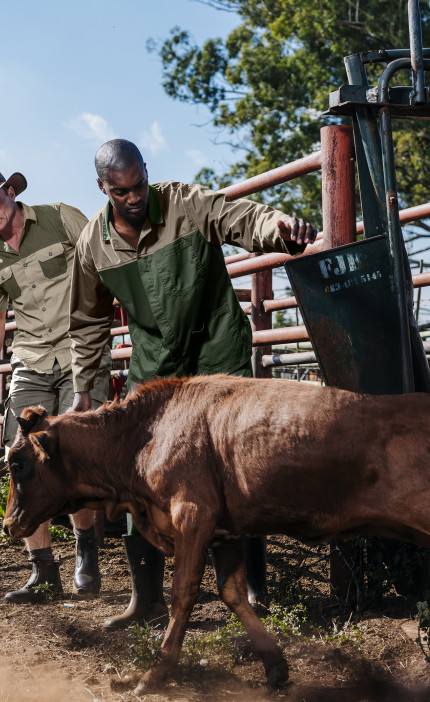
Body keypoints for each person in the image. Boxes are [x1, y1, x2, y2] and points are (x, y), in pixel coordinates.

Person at [68, 140, 317, 630]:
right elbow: (87, 323)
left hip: (216, 351)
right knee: (140, 477)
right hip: (155, 368)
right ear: (103, 189)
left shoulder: (185, 202)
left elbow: (241, 218)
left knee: (239, 467)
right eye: (121, 191)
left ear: (146, 174)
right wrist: (85, 389)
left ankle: (252, 591)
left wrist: (281, 229)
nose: (134, 197)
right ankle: (146, 600)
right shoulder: (92, 245)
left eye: (139, 184)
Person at [0, 167, 111, 603]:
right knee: (19, 458)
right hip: (32, 359)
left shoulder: (62, 218)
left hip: (83, 350)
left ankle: (86, 550)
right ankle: (43, 572)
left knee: (76, 454)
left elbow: (107, 263)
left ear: (10, 192)